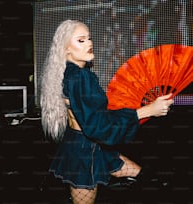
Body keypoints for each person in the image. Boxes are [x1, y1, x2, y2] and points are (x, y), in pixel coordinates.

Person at [40, 19, 174, 204]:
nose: (89, 43)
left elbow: (93, 117)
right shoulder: (79, 77)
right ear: (66, 49)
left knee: (144, 176)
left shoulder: (69, 73)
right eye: (81, 40)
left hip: (91, 145)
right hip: (84, 152)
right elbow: (98, 125)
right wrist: (146, 111)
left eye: (89, 38)